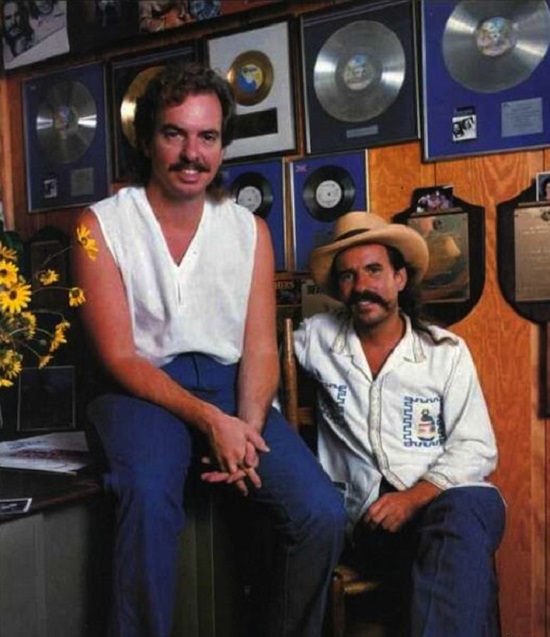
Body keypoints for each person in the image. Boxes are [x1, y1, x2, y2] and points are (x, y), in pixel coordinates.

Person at [72, 61, 346, 637]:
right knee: (148, 494)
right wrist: (210, 421)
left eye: (208, 137)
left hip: (229, 385)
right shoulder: (98, 226)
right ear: (147, 139)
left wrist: (246, 428)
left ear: (223, 146)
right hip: (139, 388)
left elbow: (260, 350)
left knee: (321, 513)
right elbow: (118, 356)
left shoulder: (249, 230)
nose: (192, 153)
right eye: (174, 134)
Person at [293, 211, 506, 637]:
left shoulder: (444, 352)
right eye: (348, 276)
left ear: (400, 278)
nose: (362, 285)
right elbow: (260, 369)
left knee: (464, 515)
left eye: (374, 270)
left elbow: (477, 447)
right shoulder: (317, 339)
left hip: (446, 500)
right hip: (372, 519)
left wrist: (413, 498)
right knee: (463, 561)